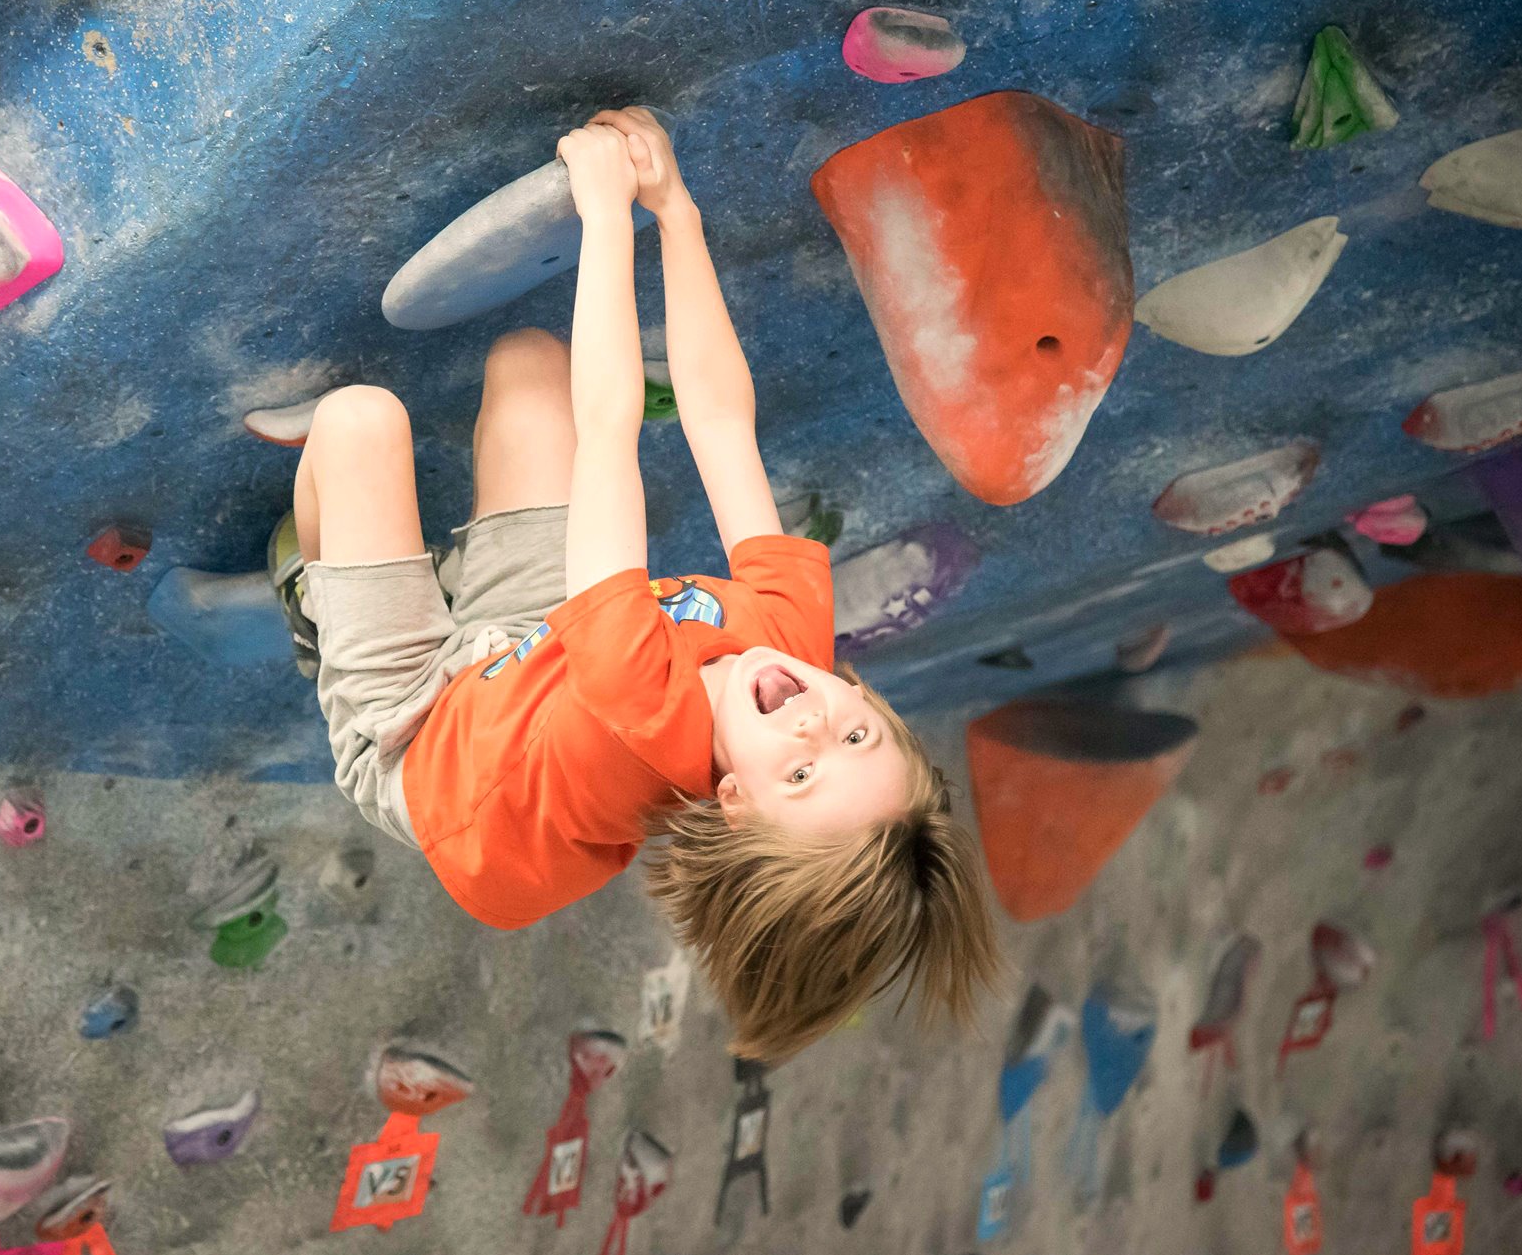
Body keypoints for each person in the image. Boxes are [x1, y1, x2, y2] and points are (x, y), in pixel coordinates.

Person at [275, 108, 999, 1062]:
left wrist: (608, 211)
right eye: (855, 731)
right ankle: (422, 577)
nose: (813, 723)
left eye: (799, 769)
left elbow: (613, 425)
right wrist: (677, 209)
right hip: (532, 662)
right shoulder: (792, 640)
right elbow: (719, 419)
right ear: (872, 701)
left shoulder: (636, 701)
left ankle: (314, 607)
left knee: (358, 422)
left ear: (734, 798)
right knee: (530, 367)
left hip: (429, 746)